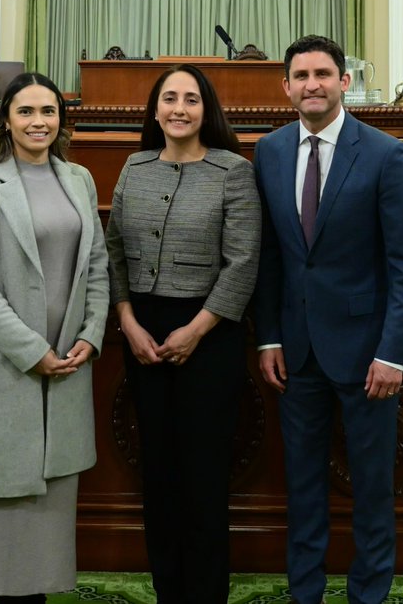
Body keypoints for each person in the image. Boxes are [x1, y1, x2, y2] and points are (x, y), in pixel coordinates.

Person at [252, 35, 403, 604]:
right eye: (300, 76)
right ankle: (305, 595)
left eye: (323, 74)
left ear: (344, 81)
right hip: (296, 354)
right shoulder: (271, 151)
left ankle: (367, 596)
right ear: (286, 88)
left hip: (368, 355)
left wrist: (392, 352)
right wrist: (269, 337)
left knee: (372, 489)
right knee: (302, 488)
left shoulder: (384, 153)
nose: (313, 84)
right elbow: (274, 256)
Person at [0, 72, 109, 604]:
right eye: (26, 112)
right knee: (4, 499)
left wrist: (91, 334)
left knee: (50, 507)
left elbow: (99, 267)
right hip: (8, 365)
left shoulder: (79, 178)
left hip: (67, 362)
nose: (39, 122)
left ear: (62, 119)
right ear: (6, 119)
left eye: (49, 111)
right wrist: (30, 351)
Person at [106, 63, 261, 604]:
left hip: (209, 335)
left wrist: (197, 329)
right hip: (142, 336)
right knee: (159, 474)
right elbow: (114, 253)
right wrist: (126, 321)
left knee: (203, 477)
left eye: (191, 99)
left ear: (206, 109)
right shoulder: (134, 166)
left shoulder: (232, 171)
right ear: (154, 110)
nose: (179, 108)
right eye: (169, 98)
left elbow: (242, 263)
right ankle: (168, 591)